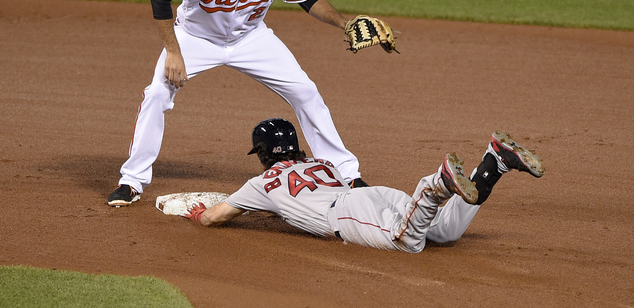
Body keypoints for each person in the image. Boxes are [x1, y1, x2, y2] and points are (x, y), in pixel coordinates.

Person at [108, 0, 373, 207]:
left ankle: (346, 172)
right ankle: (132, 181)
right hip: (196, 39)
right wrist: (173, 51)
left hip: (251, 39)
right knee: (156, 95)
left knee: (306, 91)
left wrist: (343, 23)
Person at [182, 118, 545, 252]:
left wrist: (196, 215)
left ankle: (437, 183)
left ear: (261, 154)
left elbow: (216, 217)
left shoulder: (261, 182)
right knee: (445, 233)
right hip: (371, 195)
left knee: (408, 242)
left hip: (349, 216)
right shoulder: (320, 164)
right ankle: (494, 162)